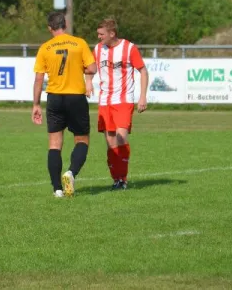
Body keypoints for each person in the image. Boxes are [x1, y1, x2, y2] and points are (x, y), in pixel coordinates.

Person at [32, 12, 97, 198]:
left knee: (54, 144)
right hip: (76, 97)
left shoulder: (45, 48)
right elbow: (92, 68)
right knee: (82, 140)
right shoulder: (79, 43)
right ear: (65, 24)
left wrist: (36, 104)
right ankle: (71, 173)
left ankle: (57, 189)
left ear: (49, 28)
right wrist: (78, 68)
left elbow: (38, 79)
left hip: (54, 97)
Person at [93, 18, 148, 190]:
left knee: (121, 137)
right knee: (110, 142)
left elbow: (143, 71)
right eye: (98, 34)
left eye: (101, 34)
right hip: (104, 101)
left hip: (123, 100)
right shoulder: (97, 49)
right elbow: (89, 68)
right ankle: (116, 179)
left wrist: (143, 96)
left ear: (112, 33)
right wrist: (88, 82)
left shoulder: (129, 48)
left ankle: (122, 179)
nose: (99, 37)